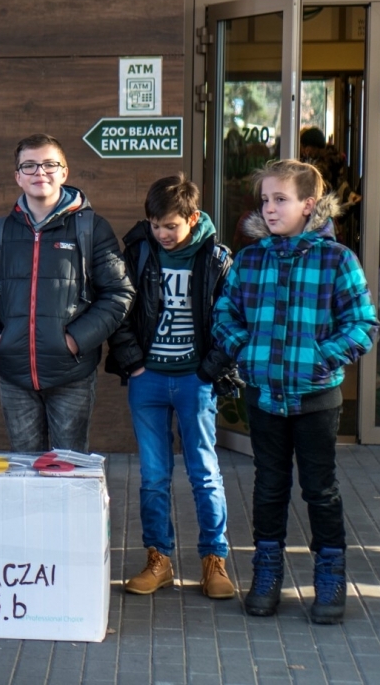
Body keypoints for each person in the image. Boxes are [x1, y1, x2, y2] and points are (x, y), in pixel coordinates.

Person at [214, 159, 377, 624]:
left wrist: (320, 357)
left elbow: (363, 324)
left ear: (309, 206)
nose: (269, 208)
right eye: (264, 199)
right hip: (264, 397)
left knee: (320, 490)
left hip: (315, 399)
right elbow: (225, 315)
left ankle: (329, 573)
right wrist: (246, 352)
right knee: (268, 488)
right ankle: (266, 571)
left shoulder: (336, 260)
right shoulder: (250, 260)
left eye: (280, 199)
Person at [107, 174, 240, 601]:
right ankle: (158, 560)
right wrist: (134, 363)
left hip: (194, 381)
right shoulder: (138, 254)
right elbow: (120, 313)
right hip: (147, 380)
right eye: (155, 224)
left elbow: (232, 321)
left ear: (193, 218)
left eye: (171, 226)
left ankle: (213, 561)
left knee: (204, 472)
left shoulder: (217, 259)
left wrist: (207, 371)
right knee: (152, 476)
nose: (162, 234)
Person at [0, 133, 134, 453]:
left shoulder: (91, 228)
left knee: (68, 472)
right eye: (29, 166)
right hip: (14, 375)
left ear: (64, 172)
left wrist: (75, 341)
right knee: (26, 472)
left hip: (71, 373)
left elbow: (118, 293)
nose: (39, 173)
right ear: (17, 176)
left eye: (49, 164)